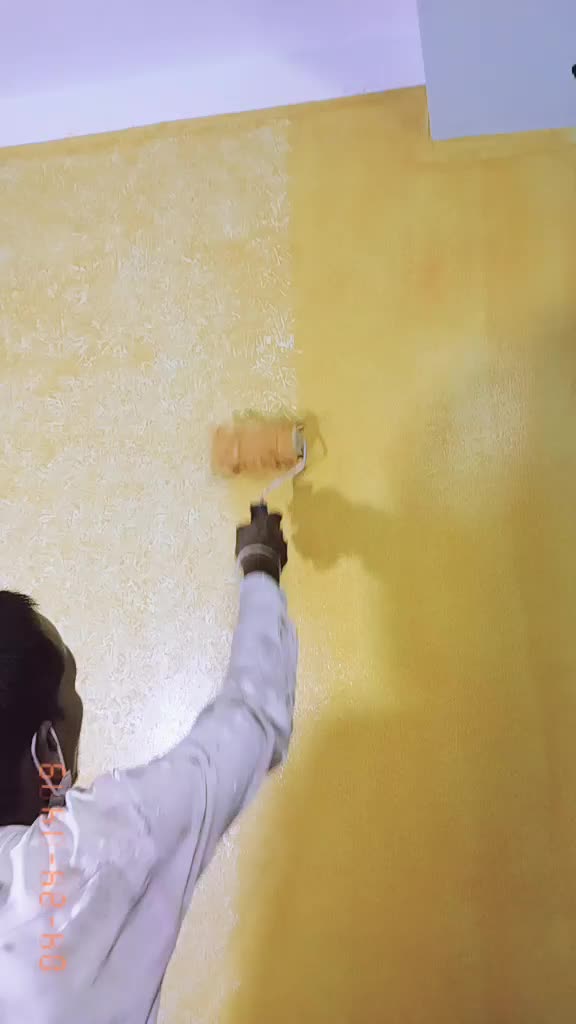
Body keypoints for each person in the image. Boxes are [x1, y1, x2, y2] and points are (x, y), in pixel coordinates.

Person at [0, 507, 297, 1023]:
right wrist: (260, 565)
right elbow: (251, 721)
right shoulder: (84, 852)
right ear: (47, 745)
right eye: (74, 685)